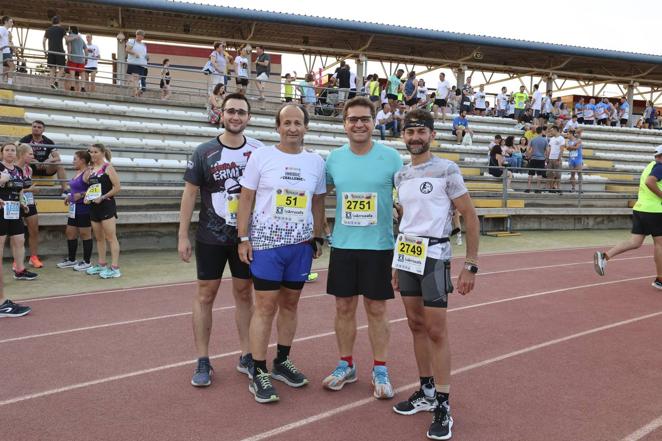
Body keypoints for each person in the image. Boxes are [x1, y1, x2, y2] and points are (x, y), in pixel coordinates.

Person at [391, 108, 479, 441]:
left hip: (436, 256)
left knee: (436, 330)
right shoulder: (400, 176)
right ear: (403, 136)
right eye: (410, 132)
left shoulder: (447, 169)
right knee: (415, 325)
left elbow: (470, 216)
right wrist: (396, 263)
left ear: (432, 135)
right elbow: (405, 221)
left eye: (421, 132)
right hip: (407, 256)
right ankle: (426, 391)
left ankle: (443, 403)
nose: (415, 137)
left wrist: (470, 264)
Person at [236, 103, 326, 403]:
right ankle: (259, 371)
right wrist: (243, 237)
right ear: (278, 127)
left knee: (290, 305)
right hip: (266, 244)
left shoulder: (315, 162)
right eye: (286, 123)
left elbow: (317, 202)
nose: (292, 128)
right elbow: (245, 198)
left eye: (298, 123)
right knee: (265, 306)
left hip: (300, 246)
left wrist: (317, 235)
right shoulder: (261, 156)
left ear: (306, 127)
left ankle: (282, 362)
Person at [179, 93, 264, 387]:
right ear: (221, 114)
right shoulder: (204, 152)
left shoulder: (259, 150)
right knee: (206, 295)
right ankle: (202, 358)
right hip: (210, 236)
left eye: (241, 112)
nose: (236, 116)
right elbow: (189, 194)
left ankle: (247, 354)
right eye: (231, 111)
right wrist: (182, 235)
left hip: (245, 238)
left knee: (244, 294)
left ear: (249, 117)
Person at [322, 97, 403, 399]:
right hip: (343, 245)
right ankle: (346, 364)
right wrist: (320, 227)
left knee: (377, 308)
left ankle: (380, 367)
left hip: (380, 246)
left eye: (365, 119)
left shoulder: (391, 157)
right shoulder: (333, 159)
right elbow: (319, 194)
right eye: (353, 119)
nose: (359, 124)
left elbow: (406, 196)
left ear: (374, 122)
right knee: (343, 308)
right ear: (344, 123)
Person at [594, 145, 662, 290]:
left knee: (635, 242)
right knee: (660, 244)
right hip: (655, 211)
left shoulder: (650, 165)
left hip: (640, 209)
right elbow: (650, 182)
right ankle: (660, 279)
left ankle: (605, 256)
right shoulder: (660, 167)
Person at [0, 142, 37, 281]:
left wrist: (23, 203)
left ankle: (20, 270)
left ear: (16, 153)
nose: (10, 152)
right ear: (2, 152)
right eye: (7, 150)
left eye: (12, 150)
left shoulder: (18, 170)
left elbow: (20, 189)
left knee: (19, 240)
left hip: (15, 209)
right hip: (1, 209)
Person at [84, 143, 121, 279]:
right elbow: (92, 188)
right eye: (91, 152)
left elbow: (117, 187)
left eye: (95, 152)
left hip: (106, 206)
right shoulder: (91, 169)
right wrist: (88, 197)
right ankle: (101, 264)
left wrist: (103, 197)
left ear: (102, 153)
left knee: (111, 238)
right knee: (99, 238)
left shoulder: (108, 167)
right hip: (94, 207)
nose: (92, 155)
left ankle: (115, 268)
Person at [57, 150, 93, 271]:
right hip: (73, 208)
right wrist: (69, 196)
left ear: (82, 161)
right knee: (70, 233)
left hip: (84, 208)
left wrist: (82, 194)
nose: (73, 161)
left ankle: (87, 262)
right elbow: (74, 189)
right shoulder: (78, 172)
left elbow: (96, 190)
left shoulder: (88, 172)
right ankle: (72, 259)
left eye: (75, 159)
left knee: (85, 234)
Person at [18, 120, 68, 196]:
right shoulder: (25, 140)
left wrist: (48, 161)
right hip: (30, 166)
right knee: (22, 163)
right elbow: (19, 154)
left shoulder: (48, 141)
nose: (36, 128)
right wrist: (33, 160)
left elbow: (57, 158)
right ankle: (23, 189)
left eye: (39, 127)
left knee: (59, 164)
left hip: (45, 167)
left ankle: (65, 191)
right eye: (34, 127)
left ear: (43, 129)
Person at [16, 144, 42, 269]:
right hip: (16, 203)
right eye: (30, 154)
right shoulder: (13, 168)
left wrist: (30, 193)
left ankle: (33, 257)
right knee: (17, 234)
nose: (33, 156)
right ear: (21, 154)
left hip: (29, 202)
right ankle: (17, 260)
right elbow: (13, 189)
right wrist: (29, 190)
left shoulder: (29, 169)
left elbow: (27, 188)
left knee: (34, 230)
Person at [43, 16, 66, 89]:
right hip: (59, 51)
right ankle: (56, 81)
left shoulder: (48, 30)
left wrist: (45, 51)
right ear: (59, 22)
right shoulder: (61, 29)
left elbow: (43, 41)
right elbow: (67, 39)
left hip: (50, 51)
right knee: (62, 68)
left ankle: (51, 84)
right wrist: (75, 37)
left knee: (52, 69)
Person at [525, 127, 549, 193]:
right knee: (539, 174)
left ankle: (528, 188)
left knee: (530, 174)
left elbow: (528, 149)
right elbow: (547, 150)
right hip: (541, 158)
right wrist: (546, 158)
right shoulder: (545, 140)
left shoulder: (532, 139)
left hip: (533, 158)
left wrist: (528, 156)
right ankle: (538, 188)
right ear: (541, 131)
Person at [125, 30, 148, 97]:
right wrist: (134, 53)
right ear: (136, 35)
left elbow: (144, 54)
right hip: (134, 63)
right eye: (139, 35)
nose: (141, 36)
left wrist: (147, 57)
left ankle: (137, 94)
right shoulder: (132, 41)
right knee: (135, 78)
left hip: (143, 65)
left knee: (141, 83)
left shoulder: (144, 45)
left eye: (142, 35)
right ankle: (135, 93)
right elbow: (127, 49)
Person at [64, 26, 86, 92]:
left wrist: (69, 56)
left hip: (73, 57)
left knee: (72, 73)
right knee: (82, 74)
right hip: (81, 58)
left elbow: (69, 47)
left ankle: (72, 87)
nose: (68, 30)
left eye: (69, 29)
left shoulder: (69, 36)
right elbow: (86, 49)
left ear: (71, 30)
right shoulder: (81, 39)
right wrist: (86, 58)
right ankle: (83, 87)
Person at [546, 126, 565, 193]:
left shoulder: (561, 138)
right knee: (550, 174)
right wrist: (547, 158)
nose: (551, 132)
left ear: (555, 130)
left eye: (552, 131)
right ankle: (551, 188)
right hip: (551, 158)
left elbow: (562, 150)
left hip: (557, 159)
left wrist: (559, 159)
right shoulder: (552, 139)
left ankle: (558, 188)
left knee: (558, 174)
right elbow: (550, 149)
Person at [0, 16, 14, 86]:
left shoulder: (5, 30)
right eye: (11, 22)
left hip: (6, 51)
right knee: (12, 66)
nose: (12, 23)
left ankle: (2, 81)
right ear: (6, 21)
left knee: (8, 67)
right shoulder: (2, 29)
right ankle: (9, 83)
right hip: (4, 51)